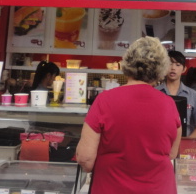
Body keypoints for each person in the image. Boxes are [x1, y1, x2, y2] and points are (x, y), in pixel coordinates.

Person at [76, 37, 181, 194]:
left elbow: (85, 158)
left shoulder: (105, 100)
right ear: (160, 69)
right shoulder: (170, 104)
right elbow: (172, 153)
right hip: (158, 188)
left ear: (127, 63)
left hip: (111, 188)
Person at [157, 50, 196, 138]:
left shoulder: (192, 95)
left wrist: (186, 142)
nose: (173, 68)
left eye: (178, 65)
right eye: (169, 64)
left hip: (184, 144)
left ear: (184, 69)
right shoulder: (155, 92)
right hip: (160, 143)